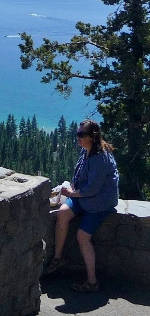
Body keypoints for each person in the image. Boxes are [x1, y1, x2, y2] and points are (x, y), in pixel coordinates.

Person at [44, 119, 120, 292]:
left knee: (82, 237)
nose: (77, 137)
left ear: (92, 137)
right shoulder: (86, 151)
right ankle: (57, 258)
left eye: (81, 135)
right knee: (62, 213)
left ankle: (92, 282)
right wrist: (71, 189)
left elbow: (93, 189)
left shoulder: (100, 157)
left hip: (99, 202)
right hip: (83, 196)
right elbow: (79, 178)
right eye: (77, 134)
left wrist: (71, 193)